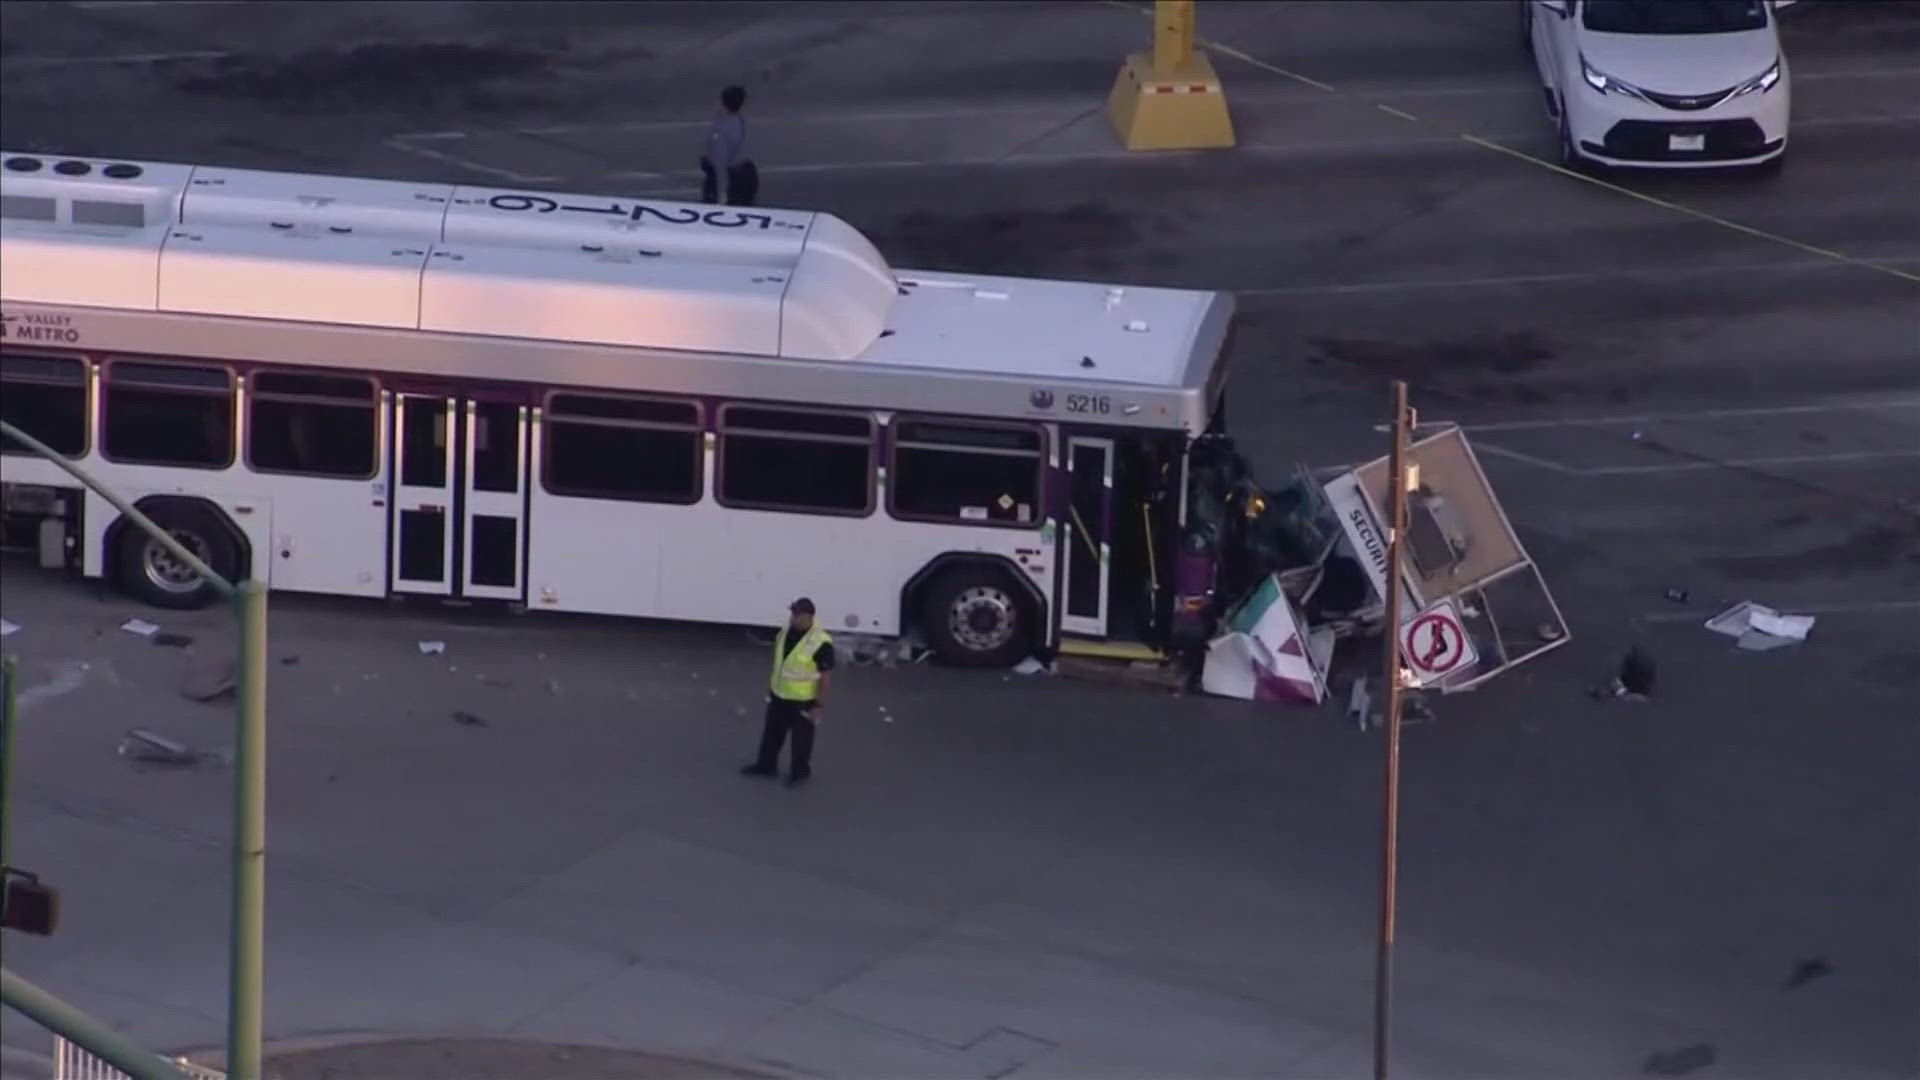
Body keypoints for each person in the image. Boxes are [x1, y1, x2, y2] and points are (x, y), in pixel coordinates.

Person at [742, 597, 833, 786]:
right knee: (772, 734)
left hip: (803, 699)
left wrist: (819, 704)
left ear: (808, 616)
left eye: (798, 614)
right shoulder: (785, 631)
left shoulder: (820, 642)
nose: (793, 617)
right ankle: (766, 765)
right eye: (793, 613)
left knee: (801, 740)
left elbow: (825, 677)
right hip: (780, 694)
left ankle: (799, 773)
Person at [700, 84, 760, 208]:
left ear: (722, 103)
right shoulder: (742, 122)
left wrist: (722, 196)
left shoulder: (719, 130)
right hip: (746, 176)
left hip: (731, 180)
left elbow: (720, 166)